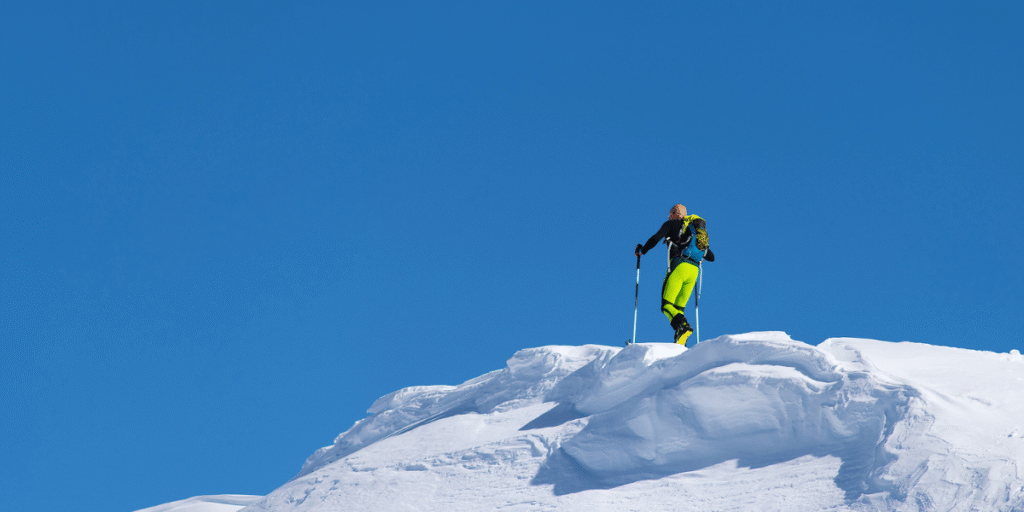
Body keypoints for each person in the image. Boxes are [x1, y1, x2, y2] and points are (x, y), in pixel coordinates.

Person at [634, 204, 715, 345]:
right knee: (678, 309)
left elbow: (655, 239)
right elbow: (711, 257)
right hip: (694, 272)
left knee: (666, 305)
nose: (669, 216)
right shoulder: (694, 231)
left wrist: (642, 250)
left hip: (679, 267)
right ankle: (681, 340)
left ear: (675, 214)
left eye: (670, 213)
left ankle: (683, 327)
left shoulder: (671, 224)